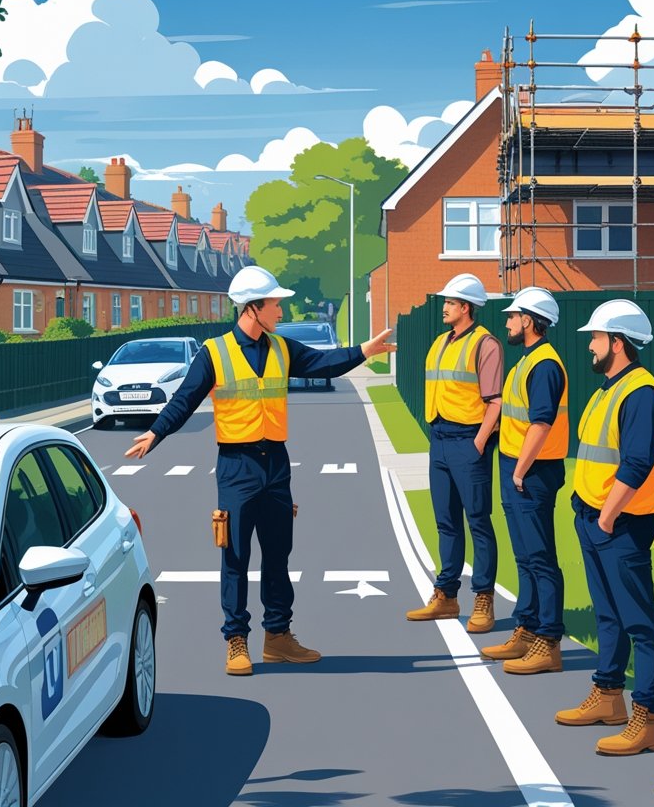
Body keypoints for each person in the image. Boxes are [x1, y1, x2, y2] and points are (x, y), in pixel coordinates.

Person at [125, 266, 396, 676]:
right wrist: (155, 432)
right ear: (253, 308)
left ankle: (278, 637)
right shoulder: (214, 353)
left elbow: (324, 363)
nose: (281, 310)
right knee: (235, 556)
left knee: (278, 554)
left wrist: (363, 351)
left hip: (276, 465)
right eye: (274, 304)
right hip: (237, 467)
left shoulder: (283, 349)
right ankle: (236, 640)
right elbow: (184, 400)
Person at [557, 299, 654, 759]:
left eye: (596, 338)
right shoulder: (609, 389)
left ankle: (648, 720)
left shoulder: (641, 394)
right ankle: (608, 696)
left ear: (617, 343)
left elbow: (637, 463)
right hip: (594, 518)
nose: (590, 345)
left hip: (621, 523)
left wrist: (606, 516)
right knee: (608, 614)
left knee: (640, 622)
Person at [477, 288, 570, 676]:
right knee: (525, 556)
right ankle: (527, 629)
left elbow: (542, 424)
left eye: (513, 317)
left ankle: (548, 641)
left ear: (529, 321)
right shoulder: (526, 361)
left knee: (541, 557)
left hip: (531, 473)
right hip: (517, 468)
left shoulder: (544, 365)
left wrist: (519, 470)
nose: (508, 323)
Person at [406, 274, 503, 633]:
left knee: (477, 520)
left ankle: (483, 598)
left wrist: (478, 442)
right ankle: (446, 596)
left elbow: (495, 402)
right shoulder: (439, 342)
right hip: (440, 439)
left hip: (468, 440)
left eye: (449, 302)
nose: (444, 307)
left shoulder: (486, 344)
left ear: (465, 307)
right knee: (446, 521)